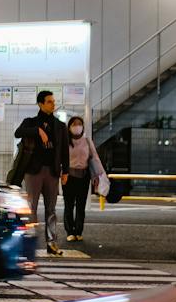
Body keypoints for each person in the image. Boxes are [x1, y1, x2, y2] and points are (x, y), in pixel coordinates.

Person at [13, 90, 69, 255]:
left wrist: (65, 171)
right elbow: (18, 132)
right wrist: (38, 130)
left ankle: (51, 243)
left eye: (53, 101)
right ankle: (28, 243)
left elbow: (64, 150)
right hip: (33, 171)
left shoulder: (60, 126)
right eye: (50, 101)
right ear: (40, 104)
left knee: (51, 209)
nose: (53, 104)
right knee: (31, 208)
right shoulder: (30, 122)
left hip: (52, 172)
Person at [63, 115, 107, 243]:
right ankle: (70, 231)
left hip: (84, 176)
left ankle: (78, 231)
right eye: (74, 124)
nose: (77, 126)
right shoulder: (65, 141)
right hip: (68, 177)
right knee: (69, 205)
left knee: (81, 206)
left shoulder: (87, 141)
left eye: (79, 124)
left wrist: (98, 176)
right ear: (69, 127)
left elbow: (95, 158)